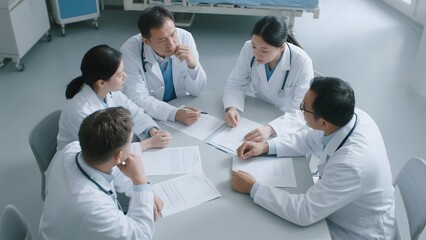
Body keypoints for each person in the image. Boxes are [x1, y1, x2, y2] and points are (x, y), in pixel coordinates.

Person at [232, 77, 395, 239]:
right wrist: (266, 147)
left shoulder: (351, 166)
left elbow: (304, 212)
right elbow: (309, 139)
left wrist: (253, 188)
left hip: (354, 231)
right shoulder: (349, 116)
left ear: (324, 123)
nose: (300, 109)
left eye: (304, 107)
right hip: (341, 206)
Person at [39, 107, 162, 239]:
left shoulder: (73, 149)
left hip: (68, 224)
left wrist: (146, 193)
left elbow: (113, 168)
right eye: (130, 143)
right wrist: (141, 184)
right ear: (119, 156)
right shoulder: (95, 209)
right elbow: (142, 236)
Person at [57, 44, 172, 151]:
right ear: (101, 83)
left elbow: (134, 113)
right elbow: (104, 153)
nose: (125, 77)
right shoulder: (81, 113)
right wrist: (149, 144)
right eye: (119, 74)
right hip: (80, 165)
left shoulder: (109, 91)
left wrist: (152, 131)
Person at [223, 16, 313, 142]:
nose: (257, 54)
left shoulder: (302, 62)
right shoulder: (248, 48)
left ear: (281, 47)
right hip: (259, 112)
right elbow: (236, 83)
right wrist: (231, 107)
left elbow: (301, 112)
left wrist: (271, 129)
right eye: (254, 46)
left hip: (285, 122)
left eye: (264, 50)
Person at [120, 6, 207, 126]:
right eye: (162, 40)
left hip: (182, 106)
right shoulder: (130, 51)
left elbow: (197, 91)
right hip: (151, 116)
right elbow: (137, 98)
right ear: (146, 41)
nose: (171, 44)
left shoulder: (185, 37)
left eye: (173, 34)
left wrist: (192, 64)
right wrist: (174, 113)